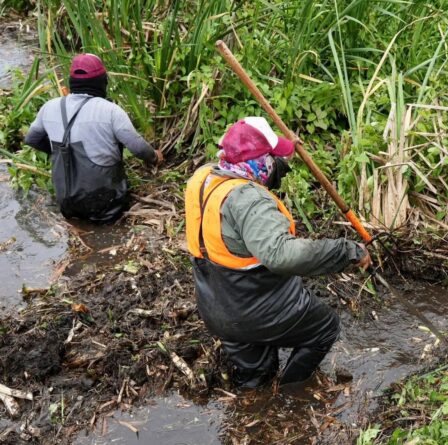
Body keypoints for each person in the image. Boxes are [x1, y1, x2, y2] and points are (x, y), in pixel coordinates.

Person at [184, 117, 371, 388]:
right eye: (273, 158)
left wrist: (286, 151)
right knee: (325, 328)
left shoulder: (204, 178)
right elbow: (283, 256)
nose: (275, 164)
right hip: (258, 310)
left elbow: (258, 169)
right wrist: (347, 251)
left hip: (216, 308)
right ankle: (290, 392)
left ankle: (255, 402)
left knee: (257, 374)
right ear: (262, 162)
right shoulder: (250, 200)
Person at [24, 54, 162, 223]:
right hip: (105, 205)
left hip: (66, 203)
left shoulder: (50, 107)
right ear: (102, 82)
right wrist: (155, 157)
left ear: (72, 82)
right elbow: (138, 148)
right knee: (109, 220)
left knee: (75, 222)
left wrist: (57, 152)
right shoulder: (110, 110)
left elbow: (32, 139)